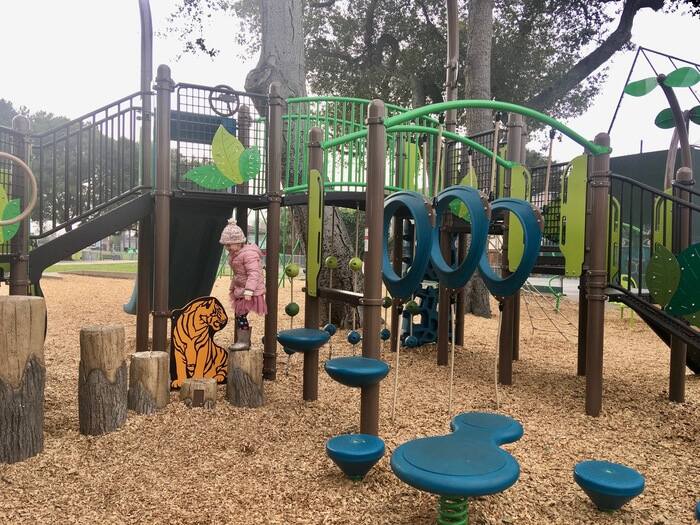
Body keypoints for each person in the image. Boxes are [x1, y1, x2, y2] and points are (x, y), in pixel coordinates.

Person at [219, 219, 267, 351]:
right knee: (239, 314)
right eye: (225, 245)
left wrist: (249, 290)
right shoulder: (236, 253)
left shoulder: (249, 254)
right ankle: (243, 340)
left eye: (230, 244)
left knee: (241, 314)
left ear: (240, 242)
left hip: (250, 290)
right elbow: (239, 273)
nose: (227, 248)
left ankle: (244, 341)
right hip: (242, 288)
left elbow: (254, 273)